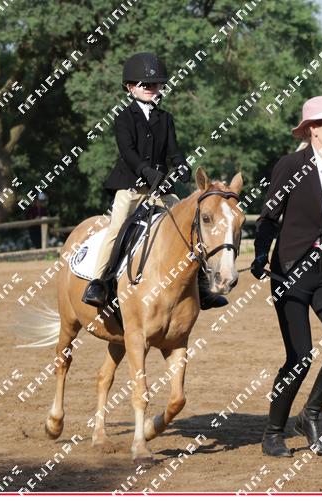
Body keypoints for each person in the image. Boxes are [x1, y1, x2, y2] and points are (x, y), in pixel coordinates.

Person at [251, 96, 322, 458]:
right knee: (299, 357)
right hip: (290, 272)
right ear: (313, 130)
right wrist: (260, 254)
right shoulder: (290, 166)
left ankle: (309, 416)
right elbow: (269, 218)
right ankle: (273, 432)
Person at [83, 52, 227, 310]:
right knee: (117, 228)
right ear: (130, 87)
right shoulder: (123, 117)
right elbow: (128, 152)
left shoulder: (165, 118)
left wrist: (181, 165)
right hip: (131, 187)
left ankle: (201, 285)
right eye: (145, 84)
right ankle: (98, 282)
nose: (151, 88)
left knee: (188, 224)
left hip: (160, 189)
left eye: (155, 84)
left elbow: (173, 151)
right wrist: (147, 172)